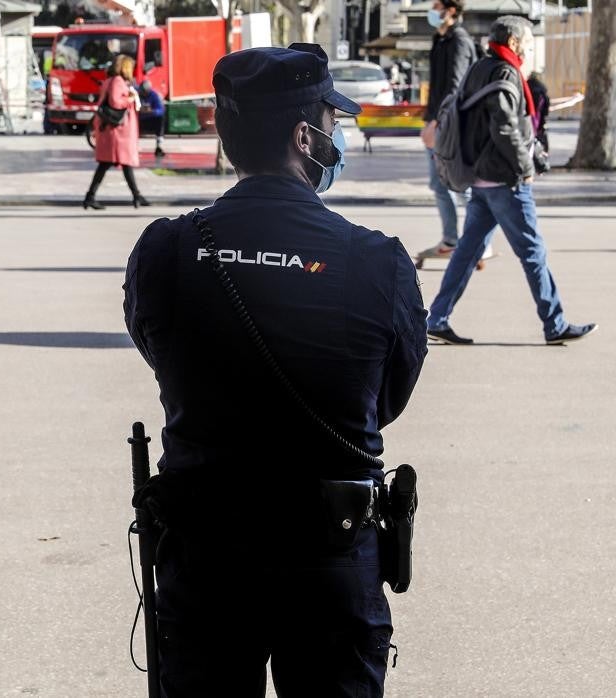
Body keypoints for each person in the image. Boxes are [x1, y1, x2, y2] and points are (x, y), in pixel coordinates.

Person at [124, 43, 427, 696]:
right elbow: (387, 399)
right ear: (304, 136)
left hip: (207, 559)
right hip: (331, 558)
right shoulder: (379, 264)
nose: (338, 136)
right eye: (333, 122)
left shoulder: (165, 252)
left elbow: (161, 357)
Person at [425, 16, 595, 346]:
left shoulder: (480, 67)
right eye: (529, 45)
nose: (530, 51)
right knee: (533, 253)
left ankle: (438, 317)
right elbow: (504, 126)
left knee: (467, 254)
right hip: (504, 181)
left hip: (481, 179)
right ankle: (555, 323)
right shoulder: (505, 72)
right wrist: (523, 166)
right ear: (515, 43)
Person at [419, 0, 485, 265]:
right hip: (439, 121)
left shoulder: (458, 41)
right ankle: (452, 240)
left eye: (437, 6)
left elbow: (454, 87)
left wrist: (437, 122)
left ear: (451, 10)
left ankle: (474, 242)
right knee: (440, 184)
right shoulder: (441, 39)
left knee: (459, 185)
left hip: (450, 125)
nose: (432, 11)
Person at [84, 54, 147, 210]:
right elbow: (115, 102)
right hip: (117, 131)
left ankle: (136, 196)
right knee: (120, 163)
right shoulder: (117, 82)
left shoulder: (110, 81)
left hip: (113, 130)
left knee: (113, 164)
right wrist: (130, 99)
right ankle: (135, 196)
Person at [139, 78, 165, 158]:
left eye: (145, 92)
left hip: (150, 118)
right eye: (142, 91)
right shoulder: (136, 94)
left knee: (160, 119)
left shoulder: (154, 95)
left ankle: (159, 145)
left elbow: (161, 110)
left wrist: (152, 111)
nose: (143, 94)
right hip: (138, 118)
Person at [528, 71, 549, 154]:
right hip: (538, 119)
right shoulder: (542, 89)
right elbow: (546, 106)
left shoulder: (526, 87)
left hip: (528, 118)